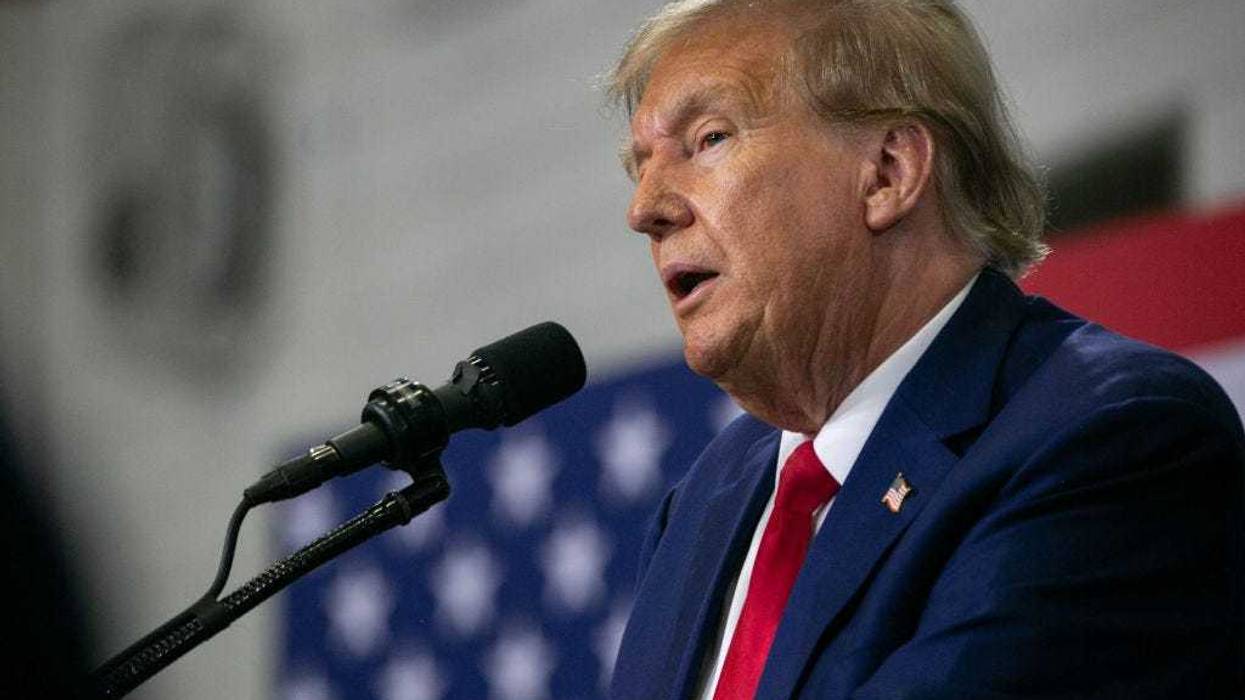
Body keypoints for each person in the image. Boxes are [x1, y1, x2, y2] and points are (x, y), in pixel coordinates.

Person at [604, 1, 1245, 698]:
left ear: (887, 172)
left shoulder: (1111, 436)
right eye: (640, 166)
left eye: (708, 139)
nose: (645, 210)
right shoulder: (704, 503)